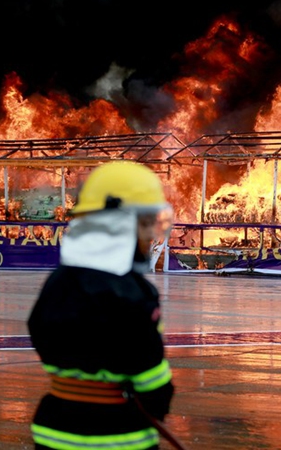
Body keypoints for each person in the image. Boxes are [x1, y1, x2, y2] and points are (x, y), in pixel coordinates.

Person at [27, 160, 176, 450]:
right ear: (118, 224)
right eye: (146, 224)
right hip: (117, 435)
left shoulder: (59, 281)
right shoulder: (134, 292)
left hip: (53, 430)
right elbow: (150, 375)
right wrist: (158, 401)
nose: (150, 235)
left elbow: (38, 331)